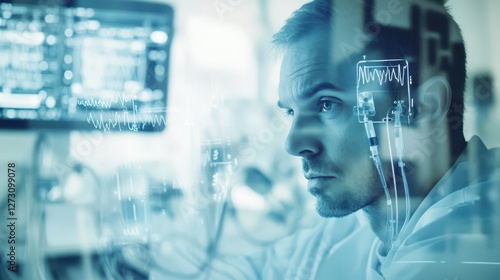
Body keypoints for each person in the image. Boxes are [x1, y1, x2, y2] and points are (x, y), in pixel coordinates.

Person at [150, 0, 500, 279]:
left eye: (327, 103)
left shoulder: (471, 248)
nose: (293, 143)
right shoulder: (365, 219)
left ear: (423, 107)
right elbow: (254, 270)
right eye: (290, 112)